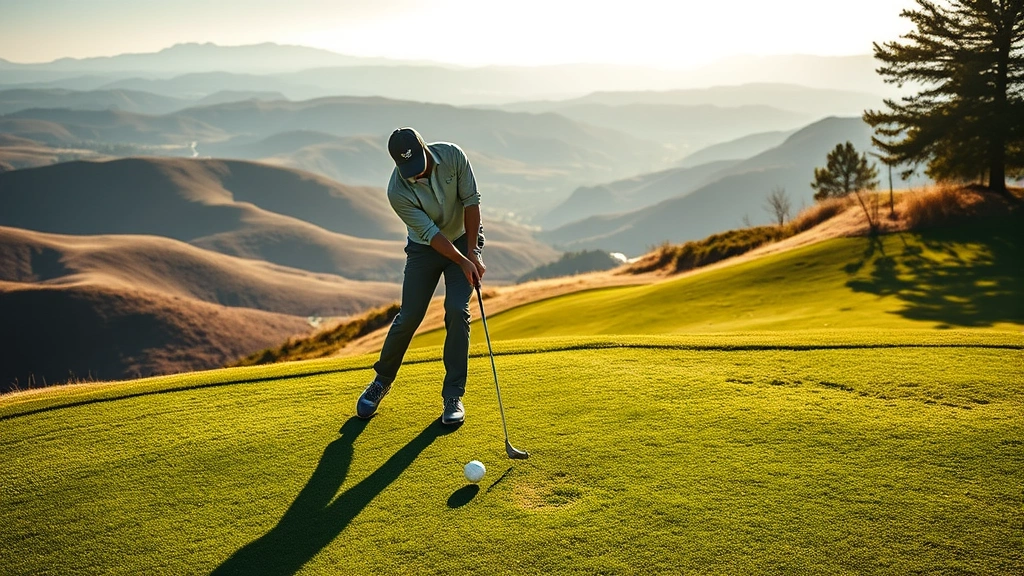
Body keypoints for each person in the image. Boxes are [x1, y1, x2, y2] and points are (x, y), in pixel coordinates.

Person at [356, 127, 486, 425]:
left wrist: (473, 254)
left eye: (418, 167)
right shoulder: (397, 190)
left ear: (425, 149)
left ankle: (453, 395)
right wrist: (461, 260)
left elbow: (471, 202)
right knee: (410, 316)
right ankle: (381, 381)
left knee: (456, 309)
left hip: (464, 240)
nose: (415, 176)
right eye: (408, 171)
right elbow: (429, 233)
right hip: (425, 247)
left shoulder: (453, 155)